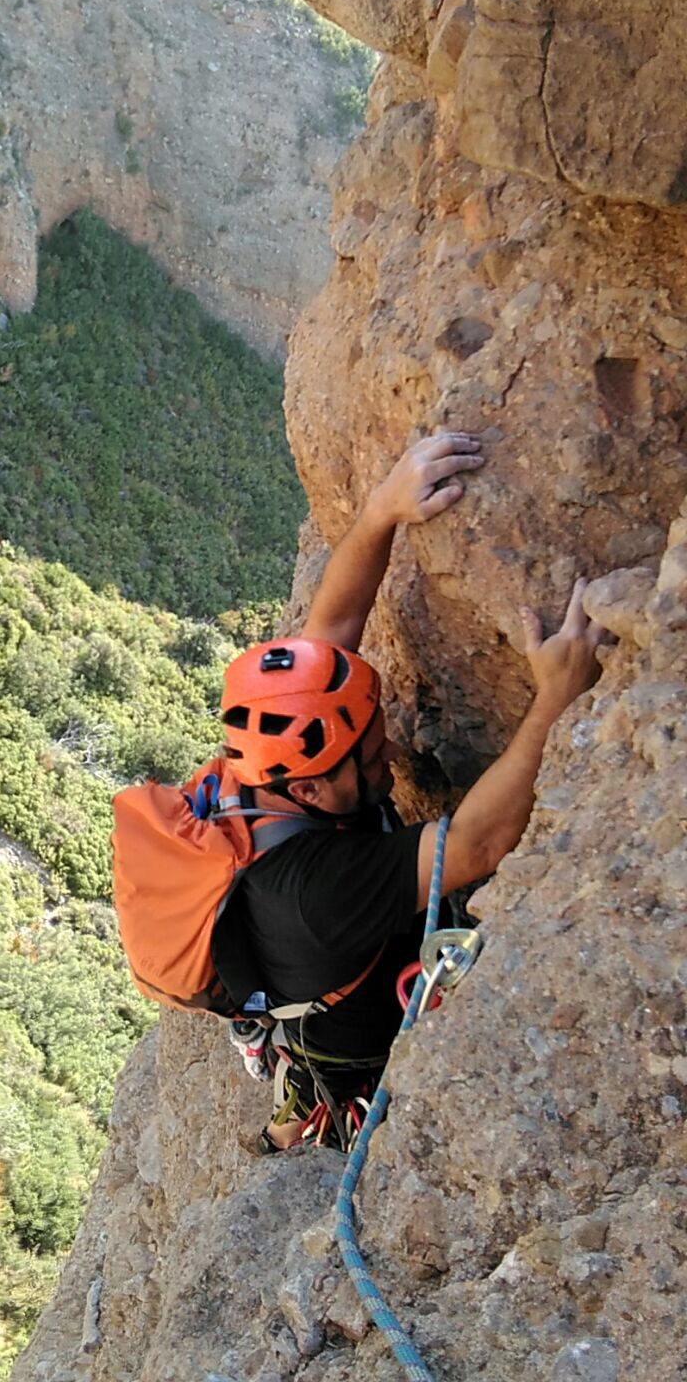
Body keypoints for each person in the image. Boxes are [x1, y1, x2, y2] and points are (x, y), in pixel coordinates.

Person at [210, 432, 608, 1151]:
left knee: (308, 1047)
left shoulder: (262, 764)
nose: (390, 750)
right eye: (367, 757)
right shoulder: (316, 890)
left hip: (312, 981)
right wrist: (556, 697)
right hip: (355, 1042)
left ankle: (286, 1104)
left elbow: (329, 633)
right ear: (310, 784)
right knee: (343, 1084)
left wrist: (380, 514)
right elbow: (478, 843)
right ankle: (304, 1121)